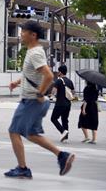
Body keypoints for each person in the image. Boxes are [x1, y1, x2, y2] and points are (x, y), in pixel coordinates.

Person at [6, 21, 75, 179]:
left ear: (33, 35)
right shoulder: (34, 51)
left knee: (13, 131)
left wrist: (40, 93)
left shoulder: (35, 53)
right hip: (35, 101)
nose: (20, 34)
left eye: (23, 31)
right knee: (32, 134)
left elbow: (49, 75)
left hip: (31, 101)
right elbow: (32, 75)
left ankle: (22, 168)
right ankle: (62, 155)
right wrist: (17, 82)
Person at [50, 65, 74, 143]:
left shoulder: (59, 80)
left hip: (60, 103)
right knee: (65, 120)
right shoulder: (70, 81)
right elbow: (73, 92)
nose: (57, 73)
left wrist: (52, 95)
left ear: (60, 72)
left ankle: (63, 131)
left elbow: (53, 91)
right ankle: (65, 138)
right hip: (68, 104)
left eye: (58, 71)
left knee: (53, 118)